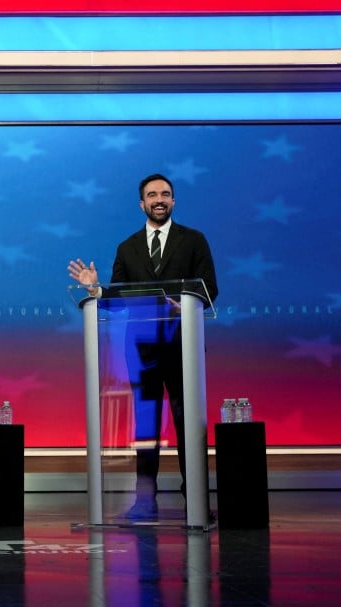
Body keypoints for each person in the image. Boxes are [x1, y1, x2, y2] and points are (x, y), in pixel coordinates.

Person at [69, 173, 218, 520]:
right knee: (146, 426)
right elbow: (119, 297)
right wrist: (96, 290)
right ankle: (145, 502)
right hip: (142, 351)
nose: (159, 199)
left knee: (188, 425)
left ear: (174, 201)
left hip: (184, 347)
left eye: (165, 194)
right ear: (142, 204)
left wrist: (188, 302)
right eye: (152, 195)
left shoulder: (194, 240)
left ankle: (195, 499)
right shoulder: (128, 247)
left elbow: (210, 288)